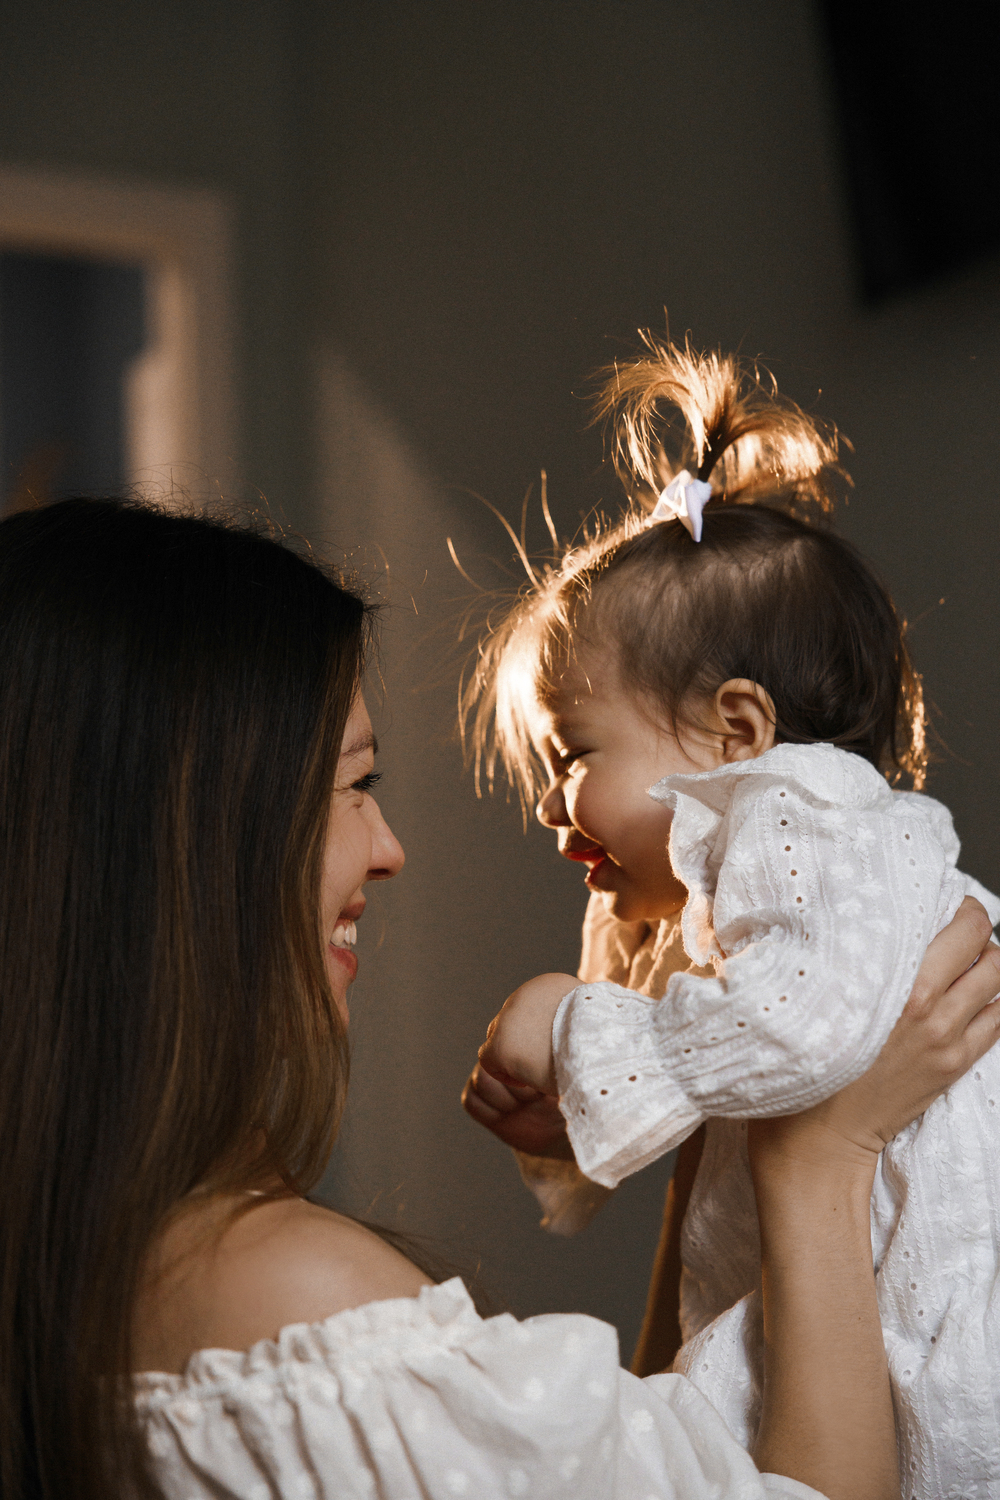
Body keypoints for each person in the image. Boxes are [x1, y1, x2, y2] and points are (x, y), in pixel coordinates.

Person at [0, 499, 997, 1500]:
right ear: (185, 836)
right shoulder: (296, 1307)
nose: (389, 848)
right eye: (351, 784)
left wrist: (690, 1099)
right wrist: (821, 1154)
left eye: (575, 756)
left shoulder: (80, 1286)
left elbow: (693, 1472)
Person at [460, 336, 1000, 1500]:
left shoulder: (804, 817)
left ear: (738, 732)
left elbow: (798, 1036)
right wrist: (587, 1126)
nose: (555, 803)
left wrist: (572, 1028)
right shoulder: (768, 881)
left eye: (574, 755)